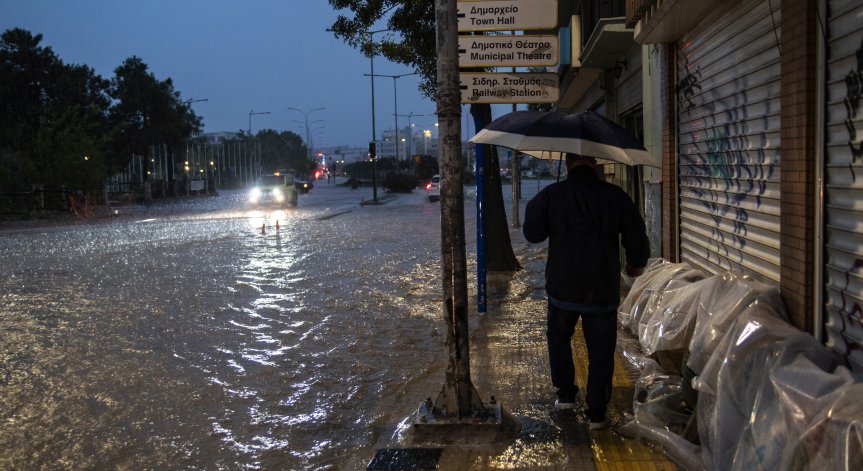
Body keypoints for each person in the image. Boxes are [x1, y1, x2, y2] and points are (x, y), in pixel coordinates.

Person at [523, 153, 649, 430]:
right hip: (601, 287)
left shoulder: (552, 195)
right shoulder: (614, 196)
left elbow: (532, 233)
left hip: (562, 286)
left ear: (568, 163)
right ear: (595, 162)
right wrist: (635, 262)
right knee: (601, 349)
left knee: (559, 339)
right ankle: (597, 413)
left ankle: (566, 395)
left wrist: (548, 206)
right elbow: (635, 231)